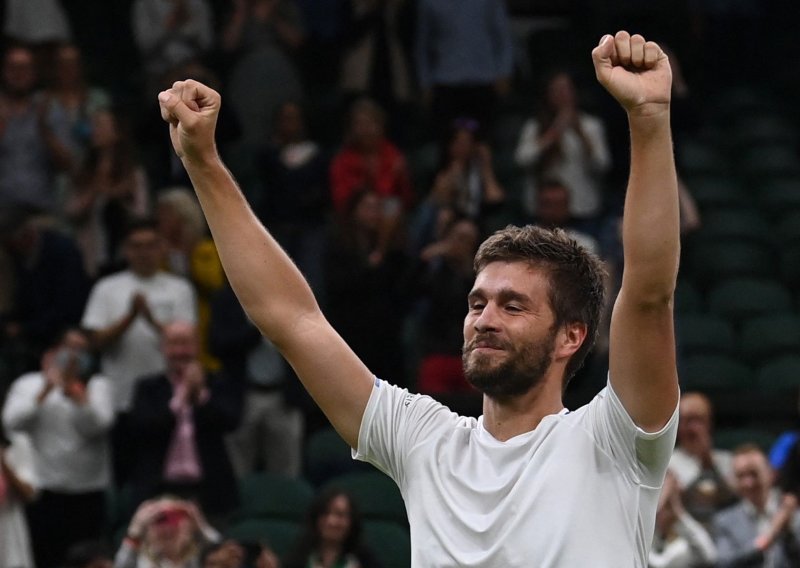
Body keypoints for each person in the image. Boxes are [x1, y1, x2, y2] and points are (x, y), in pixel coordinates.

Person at [157, 30, 680, 565]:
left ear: (572, 335)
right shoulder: (425, 440)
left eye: (513, 305)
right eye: (477, 303)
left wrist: (649, 118)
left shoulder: (614, 441)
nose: (484, 319)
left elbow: (648, 294)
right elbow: (290, 319)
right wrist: (204, 163)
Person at [2, 328, 114, 568]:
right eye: (69, 347)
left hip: (87, 491)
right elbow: (12, 422)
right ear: (52, 353)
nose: (74, 355)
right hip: (44, 490)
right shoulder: (28, 384)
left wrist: (76, 396)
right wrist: (45, 391)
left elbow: (98, 426)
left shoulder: (97, 385)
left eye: (81, 350)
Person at [127, 321, 241, 521]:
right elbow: (144, 429)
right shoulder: (148, 388)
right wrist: (179, 400)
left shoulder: (218, 382)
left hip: (207, 492)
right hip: (159, 490)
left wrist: (200, 397)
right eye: (173, 344)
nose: (180, 352)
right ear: (163, 347)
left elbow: (230, 422)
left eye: (186, 344)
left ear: (198, 346)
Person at [514, 70, 612, 231]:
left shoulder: (591, 125)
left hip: (583, 209)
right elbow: (522, 160)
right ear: (548, 94)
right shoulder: (535, 126)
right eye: (556, 90)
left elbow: (602, 165)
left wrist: (580, 133)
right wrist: (553, 134)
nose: (562, 94)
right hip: (544, 211)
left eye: (566, 89)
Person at [712, 444, 800, 567]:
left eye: (754, 473)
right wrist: (767, 539)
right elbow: (724, 564)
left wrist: (788, 532)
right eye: (741, 476)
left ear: (770, 473)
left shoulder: (791, 512)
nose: (748, 483)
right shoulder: (725, 520)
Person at [669, 391, 738, 528]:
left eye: (697, 420)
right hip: (686, 536)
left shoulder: (726, 460)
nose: (692, 428)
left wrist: (709, 463)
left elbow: (738, 500)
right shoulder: (669, 463)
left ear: (709, 422)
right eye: (686, 421)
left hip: (726, 534)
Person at [284, 487, 382, 568]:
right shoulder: (298, 559)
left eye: (340, 515)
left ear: (351, 521)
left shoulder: (365, 561)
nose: (331, 521)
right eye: (325, 513)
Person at [116, 496, 221, 568]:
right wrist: (134, 533)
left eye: (174, 519)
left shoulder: (201, 560)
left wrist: (200, 525)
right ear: (147, 532)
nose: (167, 529)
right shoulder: (139, 562)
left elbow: (222, 551)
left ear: (189, 529)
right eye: (159, 520)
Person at [648, 470, 717, 567]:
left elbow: (709, 555)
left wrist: (679, 514)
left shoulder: (687, 534)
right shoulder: (648, 529)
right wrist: (657, 509)